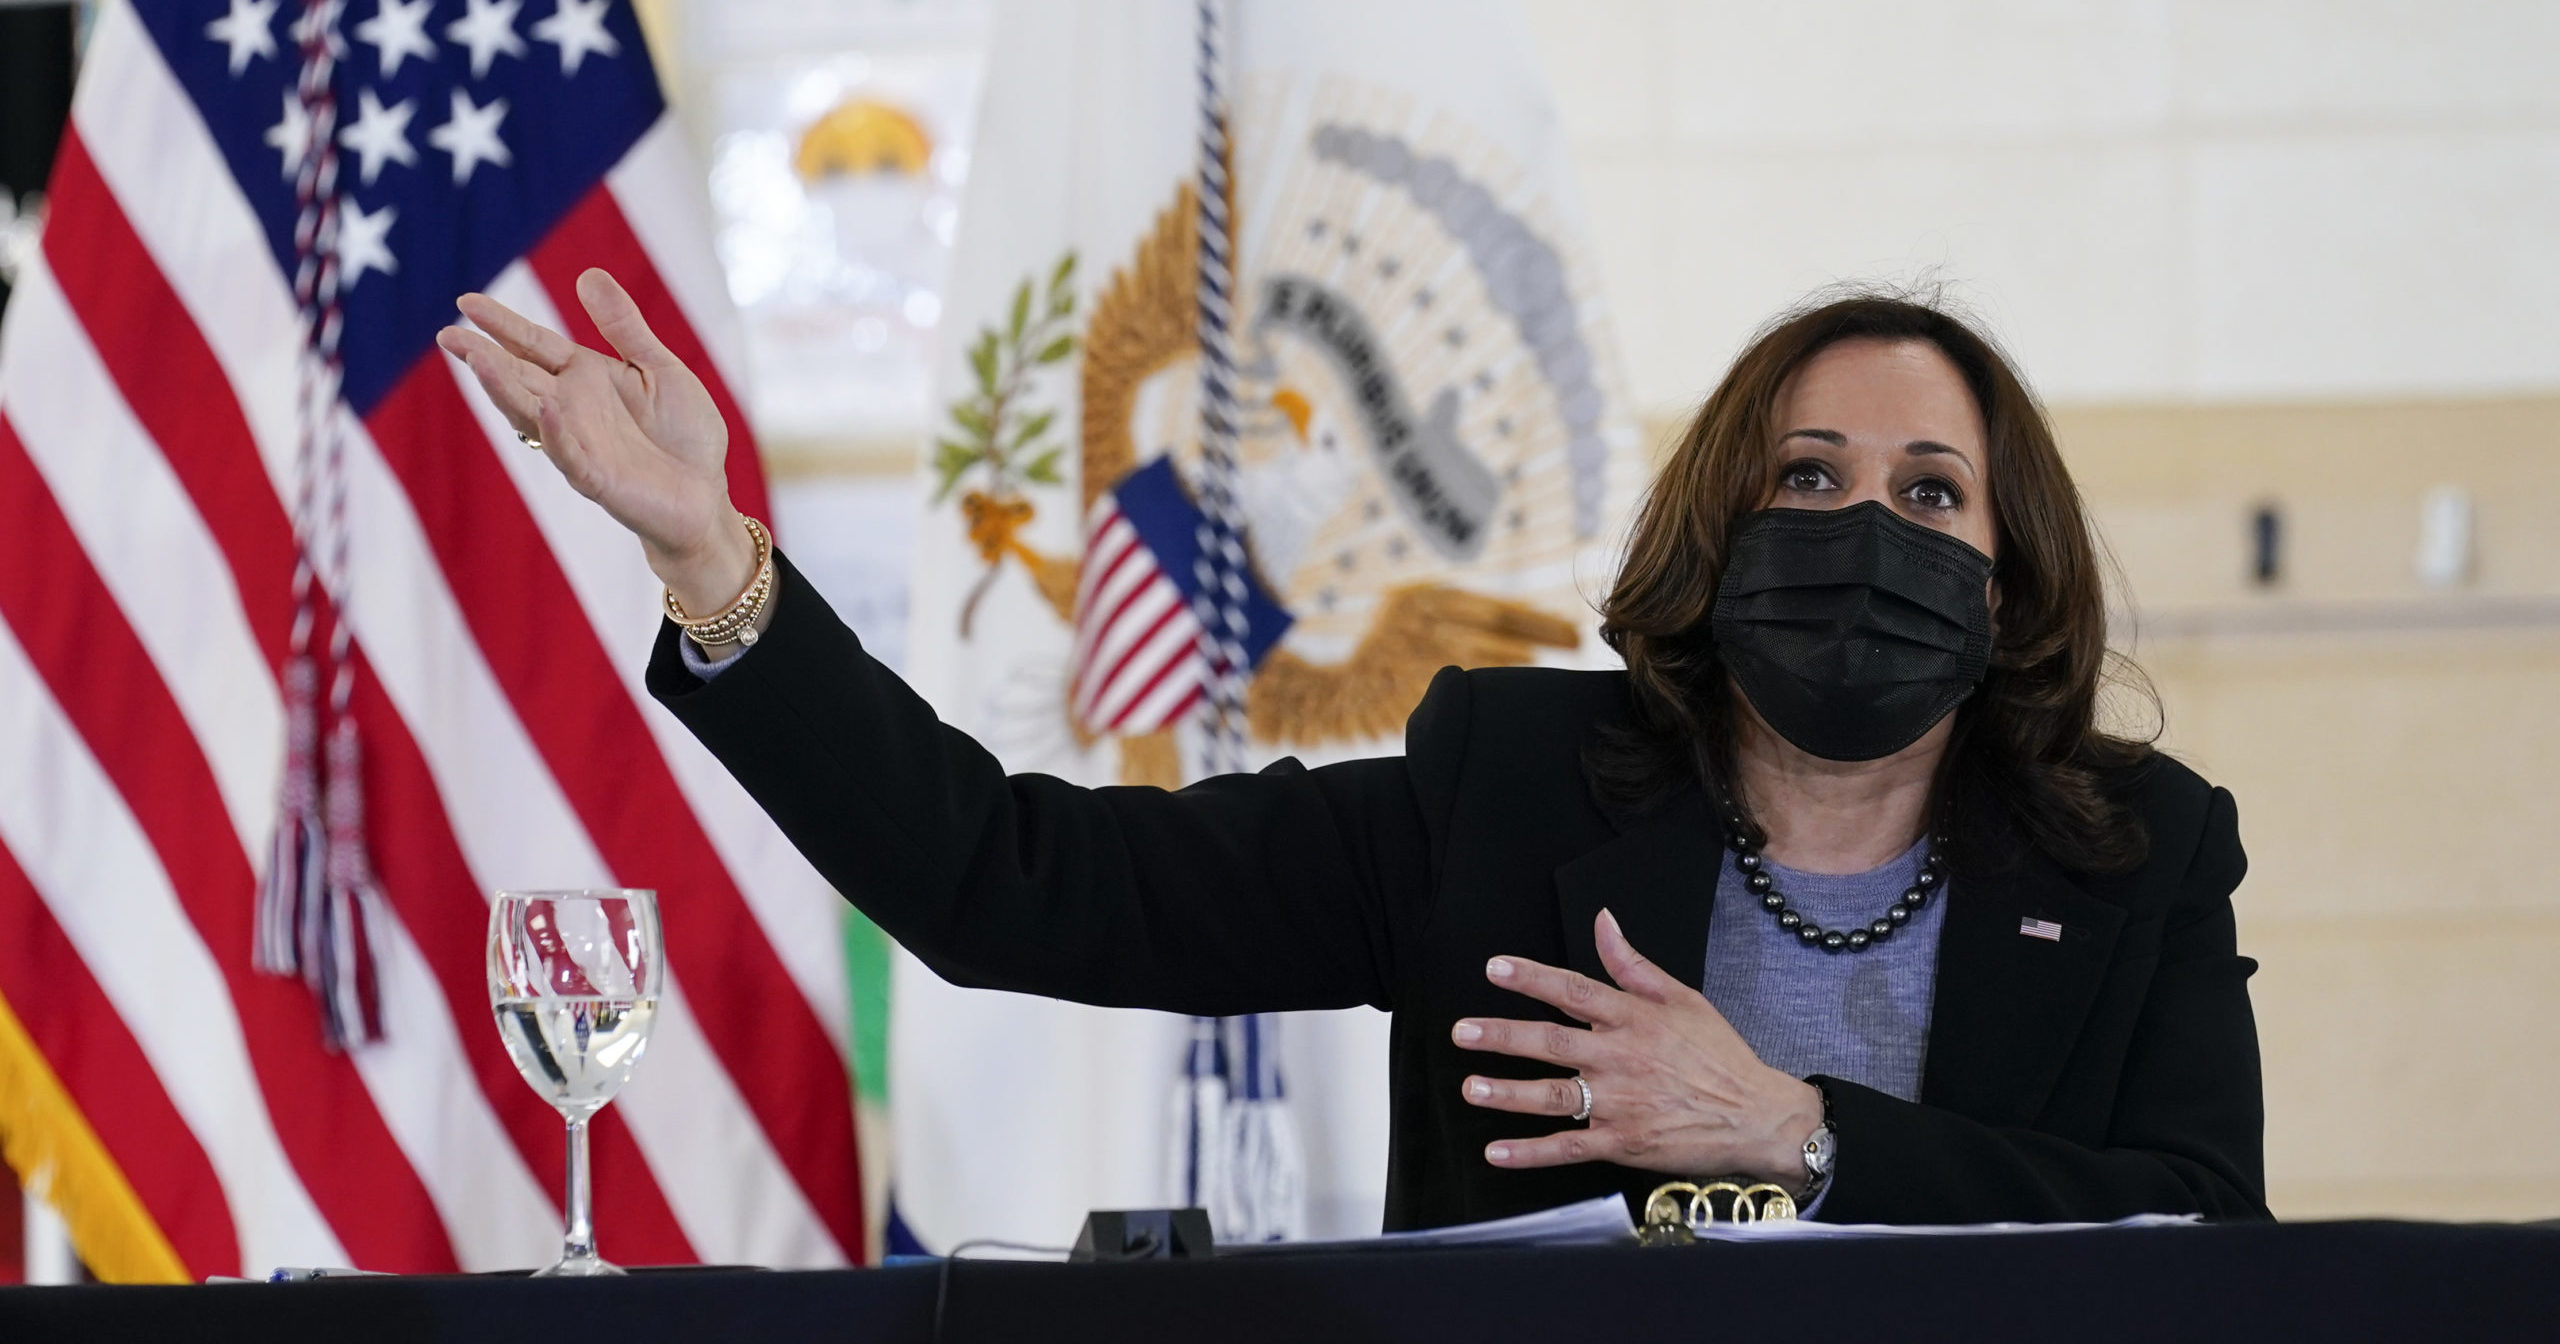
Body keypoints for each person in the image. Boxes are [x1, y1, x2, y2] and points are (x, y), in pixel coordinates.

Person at [437, 276, 2267, 1231]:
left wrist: (1795, 1135)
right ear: (1720, 536)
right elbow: (1019, 885)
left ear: (2009, 575)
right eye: (1809, 480)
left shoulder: (2138, 853)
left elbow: (2203, 1233)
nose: (1868, 529)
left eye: (1929, 494)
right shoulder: (1514, 790)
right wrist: (716, 562)